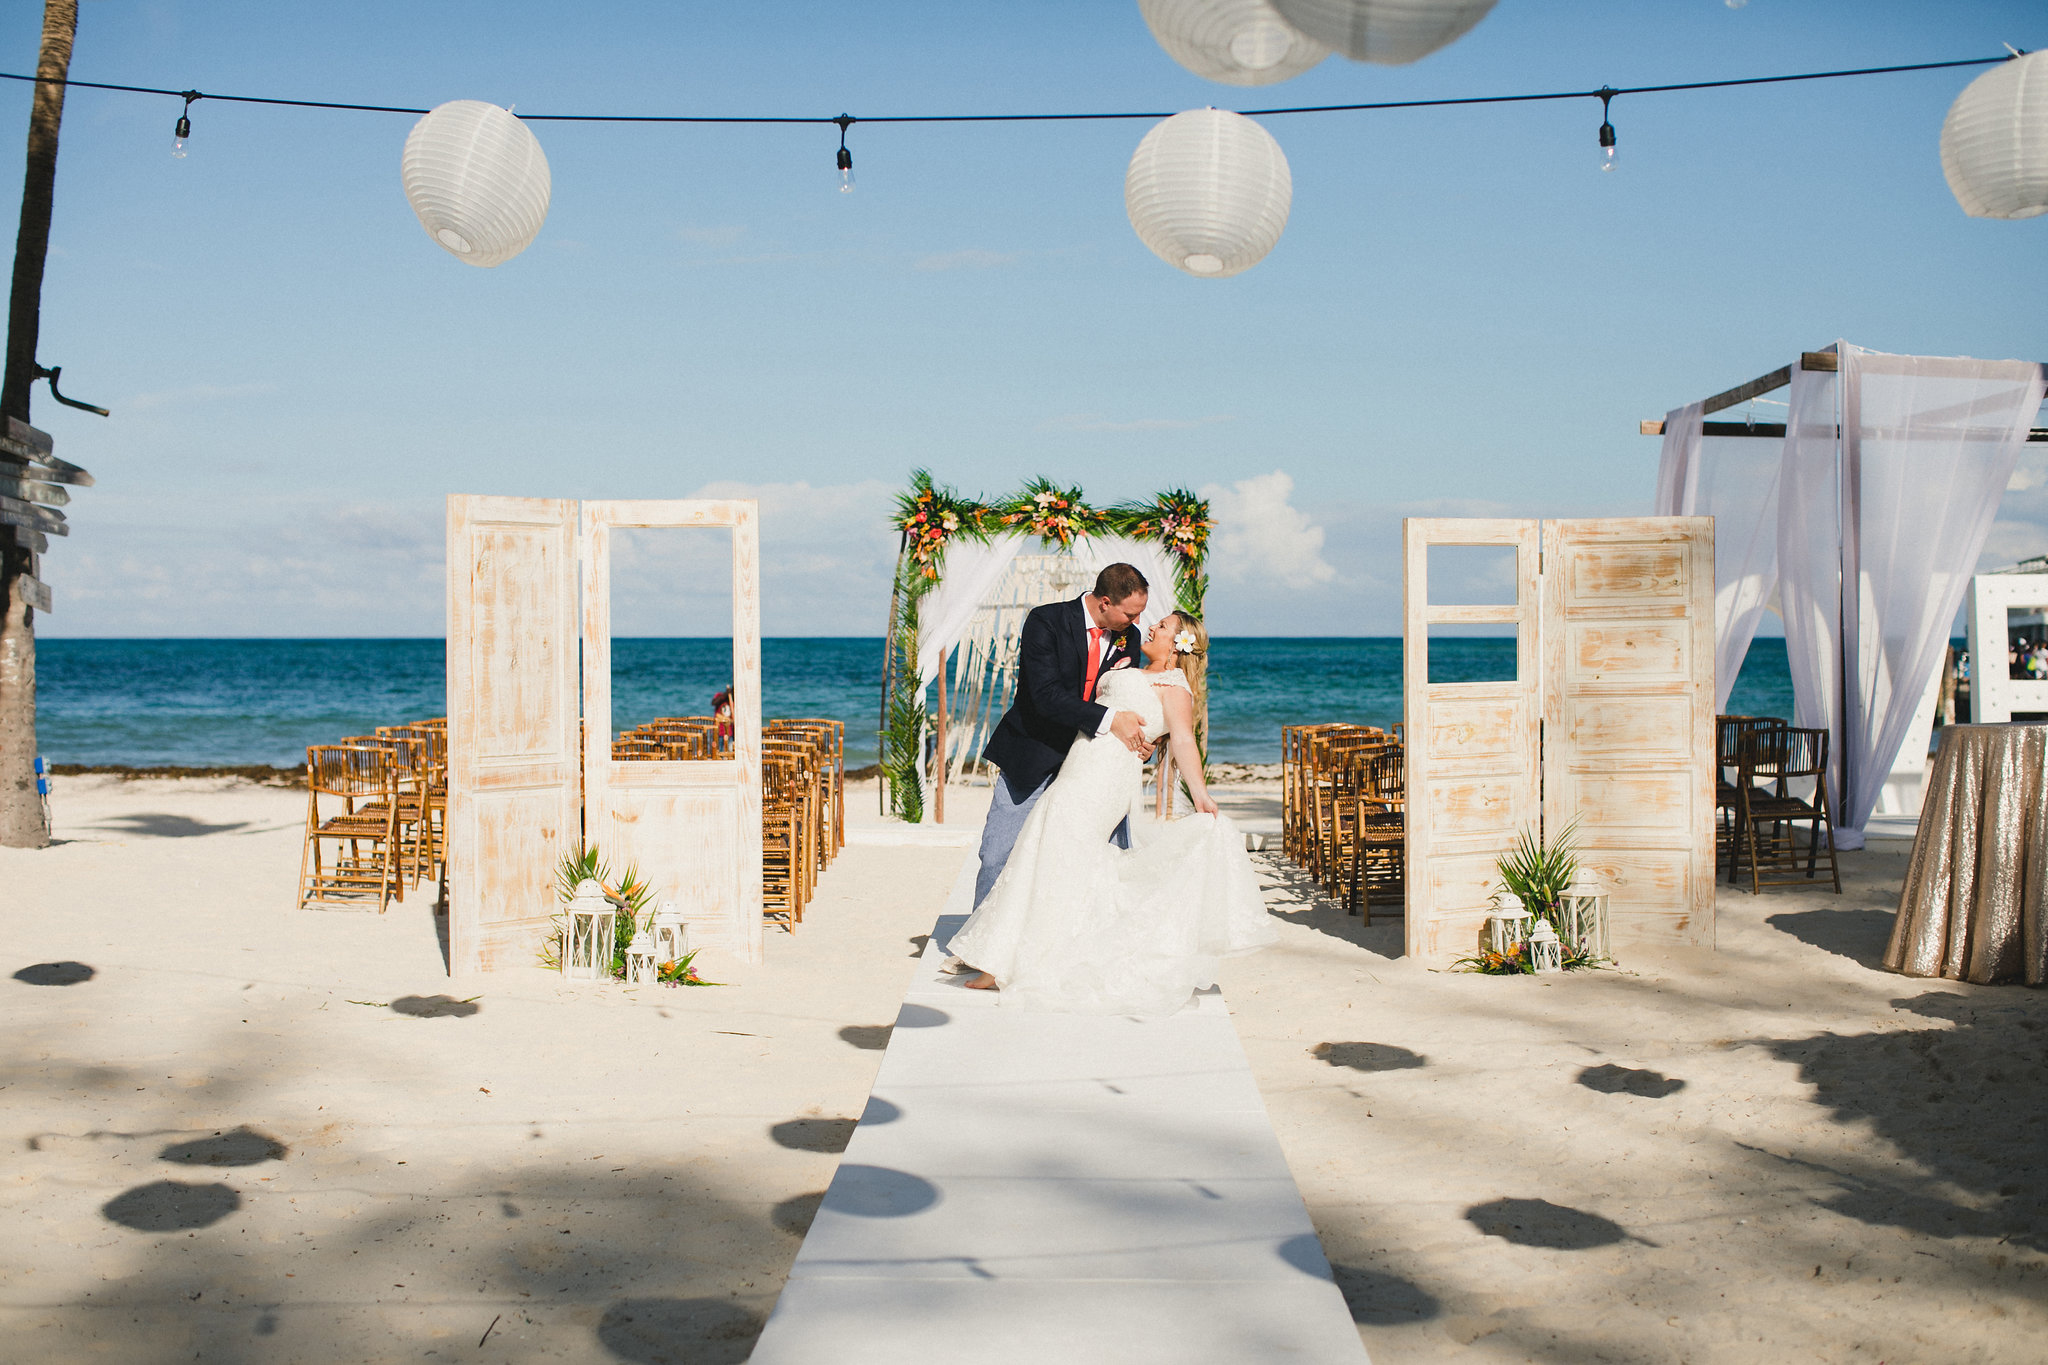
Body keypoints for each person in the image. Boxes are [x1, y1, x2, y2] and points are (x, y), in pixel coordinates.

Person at [948, 611, 1278, 1016]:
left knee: (1057, 854)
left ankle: (1009, 963)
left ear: (1177, 647)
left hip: (1103, 782)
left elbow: (1184, 741)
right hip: (1077, 768)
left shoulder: (1174, 688)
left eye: (1163, 626)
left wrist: (1201, 795)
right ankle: (1006, 959)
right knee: (1049, 853)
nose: (1152, 627)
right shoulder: (1129, 666)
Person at [972, 563, 1155, 908]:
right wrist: (1111, 719)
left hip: (1090, 762)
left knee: (1103, 853)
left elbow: (1125, 696)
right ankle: (974, 942)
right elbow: (1045, 696)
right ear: (1105, 602)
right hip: (1032, 751)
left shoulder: (1127, 636)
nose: (1137, 624)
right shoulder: (1046, 621)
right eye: (1130, 614)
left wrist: (1142, 742)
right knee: (997, 853)